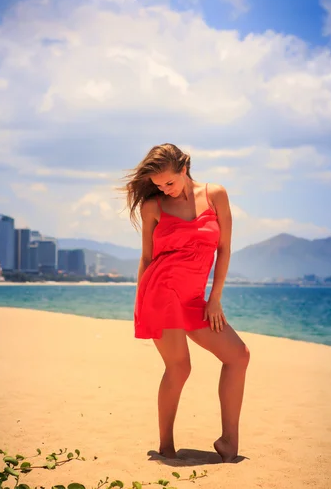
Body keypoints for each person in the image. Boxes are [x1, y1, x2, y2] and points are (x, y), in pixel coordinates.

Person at [122, 143, 250, 463]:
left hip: (195, 298)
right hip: (160, 293)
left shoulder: (215, 194)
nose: (165, 189)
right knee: (180, 367)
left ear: (184, 168)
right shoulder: (153, 206)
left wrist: (215, 299)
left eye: (169, 182)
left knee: (238, 355)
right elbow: (147, 257)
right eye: (158, 185)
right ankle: (166, 446)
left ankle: (229, 441)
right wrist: (140, 305)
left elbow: (224, 249)